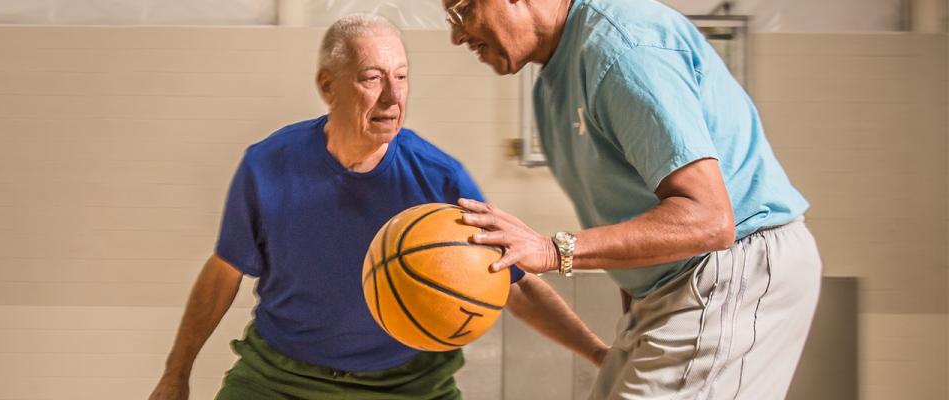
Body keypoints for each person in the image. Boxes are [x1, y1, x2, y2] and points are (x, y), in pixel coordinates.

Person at [148, 13, 607, 400]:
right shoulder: (268, 164)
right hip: (281, 377)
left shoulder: (438, 176)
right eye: (373, 78)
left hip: (407, 383)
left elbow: (515, 283)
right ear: (328, 86)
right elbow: (226, 270)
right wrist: (176, 371)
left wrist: (599, 355)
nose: (393, 96)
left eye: (402, 76)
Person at [440, 0, 821, 398]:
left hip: (733, 266)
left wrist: (552, 249)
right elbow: (627, 217)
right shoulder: (550, 89)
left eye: (462, 10)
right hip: (672, 288)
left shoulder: (623, 48)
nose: (456, 35)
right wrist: (637, 320)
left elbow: (709, 218)